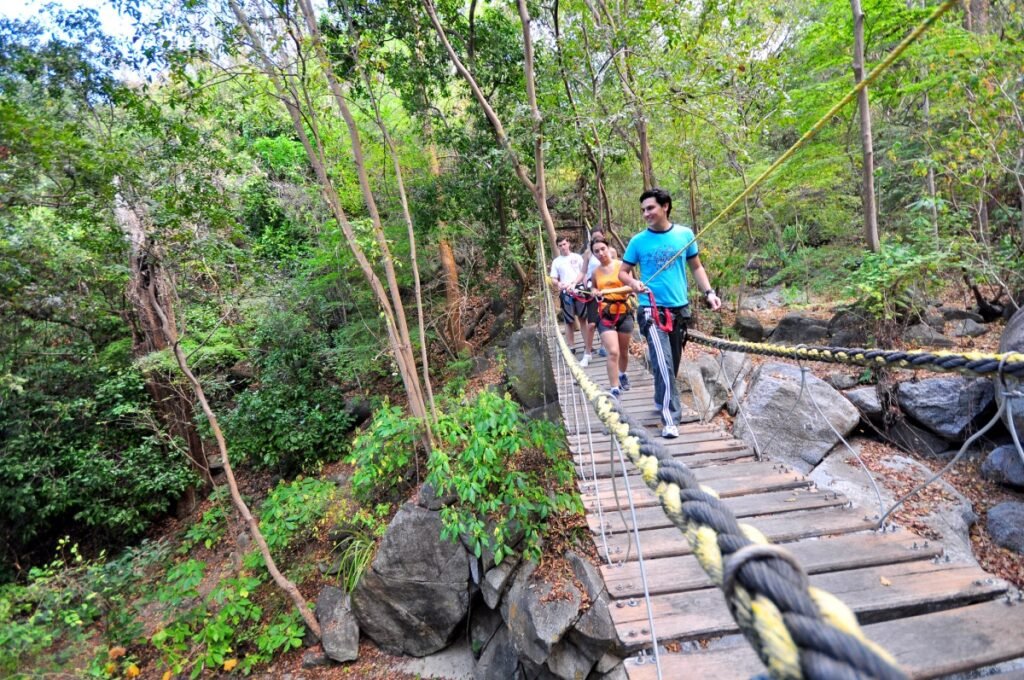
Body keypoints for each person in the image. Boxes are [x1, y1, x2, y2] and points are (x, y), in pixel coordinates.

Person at [619, 188, 722, 438]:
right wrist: (634, 284)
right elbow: (623, 272)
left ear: (665, 206)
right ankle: (670, 419)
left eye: (650, 208)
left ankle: (660, 397)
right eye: (643, 210)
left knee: (671, 364)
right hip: (650, 309)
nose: (646, 214)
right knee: (663, 365)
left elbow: (696, 267)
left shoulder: (684, 235)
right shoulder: (638, 241)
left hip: (679, 309)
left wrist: (709, 292)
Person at [589, 238, 633, 398]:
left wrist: (609, 292)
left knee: (623, 351)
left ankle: (622, 374)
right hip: (606, 314)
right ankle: (614, 388)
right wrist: (594, 291)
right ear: (593, 254)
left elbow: (631, 285)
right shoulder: (595, 272)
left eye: (602, 249)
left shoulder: (622, 266)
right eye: (596, 251)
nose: (600, 253)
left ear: (608, 248)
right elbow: (594, 286)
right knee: (613, 352)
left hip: (624, 312)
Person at [549, 236, 585, 351]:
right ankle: (571, 346)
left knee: (583, 318)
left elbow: (584, 273)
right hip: (566, 293)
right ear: (558, 247)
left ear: (568, 243)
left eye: (564, 244)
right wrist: (559, 284)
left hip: (579, 290)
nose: (563, 247)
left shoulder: (578, 257)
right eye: (560, 245)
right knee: (569, 320)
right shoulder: (556, 261)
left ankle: (587, 345)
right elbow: (553, 278)